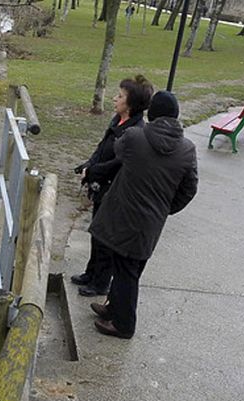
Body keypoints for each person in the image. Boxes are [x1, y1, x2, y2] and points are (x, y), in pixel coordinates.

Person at [88, 91, 198, 339]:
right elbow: (189, 189)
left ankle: (124, 325)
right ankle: (113, 308)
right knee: (128, 266)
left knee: (126, 271)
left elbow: (119, 151)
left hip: (123, 215)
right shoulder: (187, 149)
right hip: (150, 224)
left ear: (152, 113)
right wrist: (164, 208)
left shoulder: (135, 136)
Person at [71, 75, 154, 297]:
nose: (115, 99)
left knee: (105, 237)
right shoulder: (117, 121)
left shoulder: (134, 131)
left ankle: (100, 282)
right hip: (100, 184)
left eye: (120, 96)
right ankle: (91, 272)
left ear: (132, 104)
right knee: (96, 232)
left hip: (113, 189)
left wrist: (94, 171)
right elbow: (102, 147)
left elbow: (119, 162)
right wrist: (88, 164)